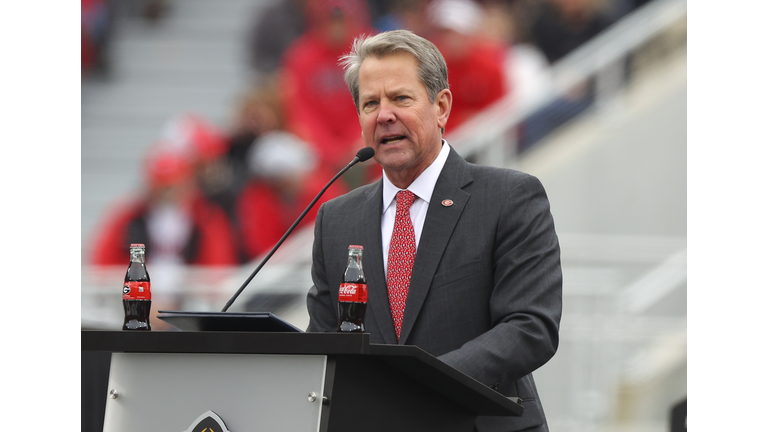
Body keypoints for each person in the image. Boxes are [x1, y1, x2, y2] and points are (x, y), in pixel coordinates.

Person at [305, 30, 562, 432]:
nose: (384, 114)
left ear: (441, 106)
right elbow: (322, 342)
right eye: (370, 103)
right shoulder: (336, 219)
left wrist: (424, 385)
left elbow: (531, 327)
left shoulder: (509, 196)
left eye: (400, 98)